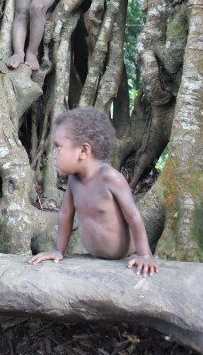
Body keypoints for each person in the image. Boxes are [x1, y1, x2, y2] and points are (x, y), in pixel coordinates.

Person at [29, 107, 159, 275]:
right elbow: (65, 214)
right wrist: (58, 250)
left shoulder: (110, 178)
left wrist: (145, 255)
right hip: (95, 257)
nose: (54, 155)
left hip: (123, 256)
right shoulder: (74, 180)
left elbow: (133, 216)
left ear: (84, 151)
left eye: (59, 147)